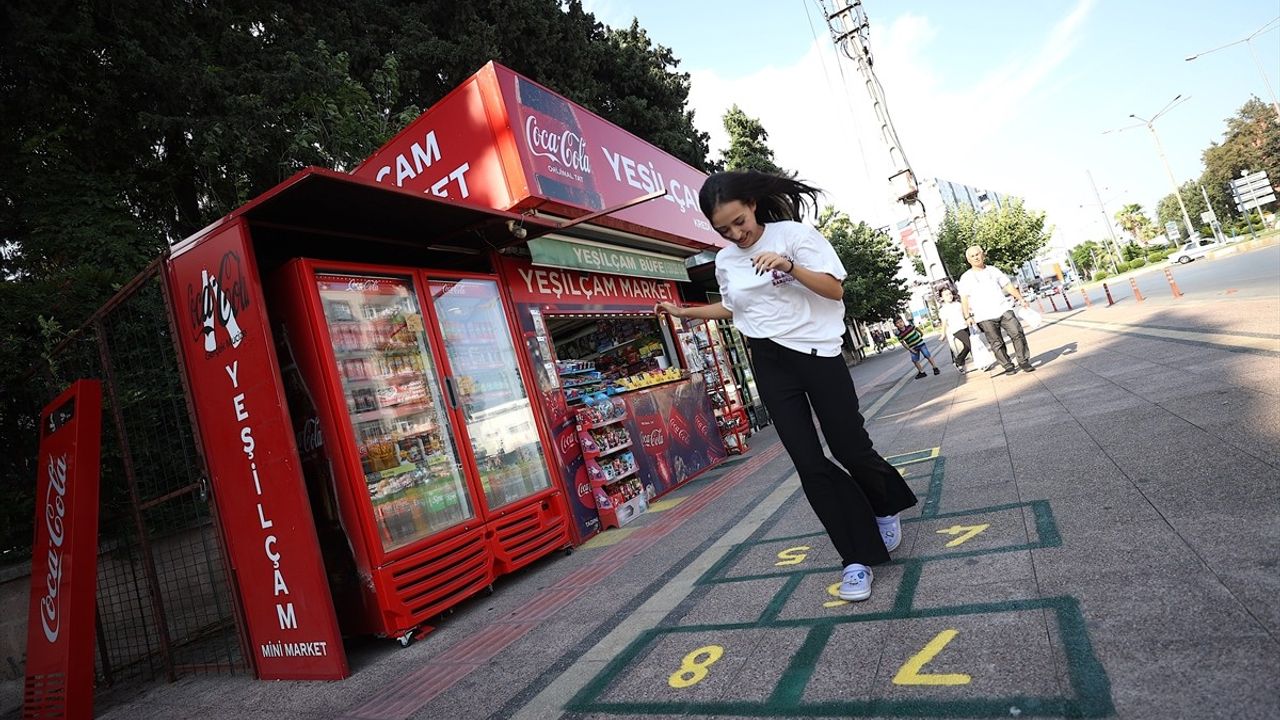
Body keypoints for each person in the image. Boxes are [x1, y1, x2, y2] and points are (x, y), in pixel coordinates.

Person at [654, 170, 917, 602]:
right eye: (724, 229)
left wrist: (790, 267)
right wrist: (687, 314)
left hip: (818, 354)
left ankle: (884, 505)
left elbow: (834, 291)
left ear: (753, 204)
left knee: (850, 448)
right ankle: (855, 557)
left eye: (740, 221)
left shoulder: (794, 235)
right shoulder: (725, 261)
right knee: (808, 462)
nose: (736, 234)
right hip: (769, 361)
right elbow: (736, 307)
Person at [956, 245, 1034, 374]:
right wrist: (967, 316)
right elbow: (964, 298)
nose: (976, 257)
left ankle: (1023, 360)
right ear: (968, 260)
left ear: (983, 255)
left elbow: (1007, 285)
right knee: (996, 342)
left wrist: (1021, 299)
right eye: (972, 256)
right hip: (984, 315)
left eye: (978, 254)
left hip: (1003, 308)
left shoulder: (993, 270)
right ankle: (1007, 365)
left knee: (1017, 332)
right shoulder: (966, 277)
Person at [936, 286, 971, 373]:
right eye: (946, 295)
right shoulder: (943, 310)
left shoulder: (958, 304)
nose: (949, 296)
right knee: (971, 344)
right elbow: (944, 323)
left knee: (967, 347)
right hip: (956, 329)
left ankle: (958, 362)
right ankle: (982, 363)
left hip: (965, 326)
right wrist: (943, 334)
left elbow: (965, 312)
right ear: (942, 298)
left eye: (950, 294)